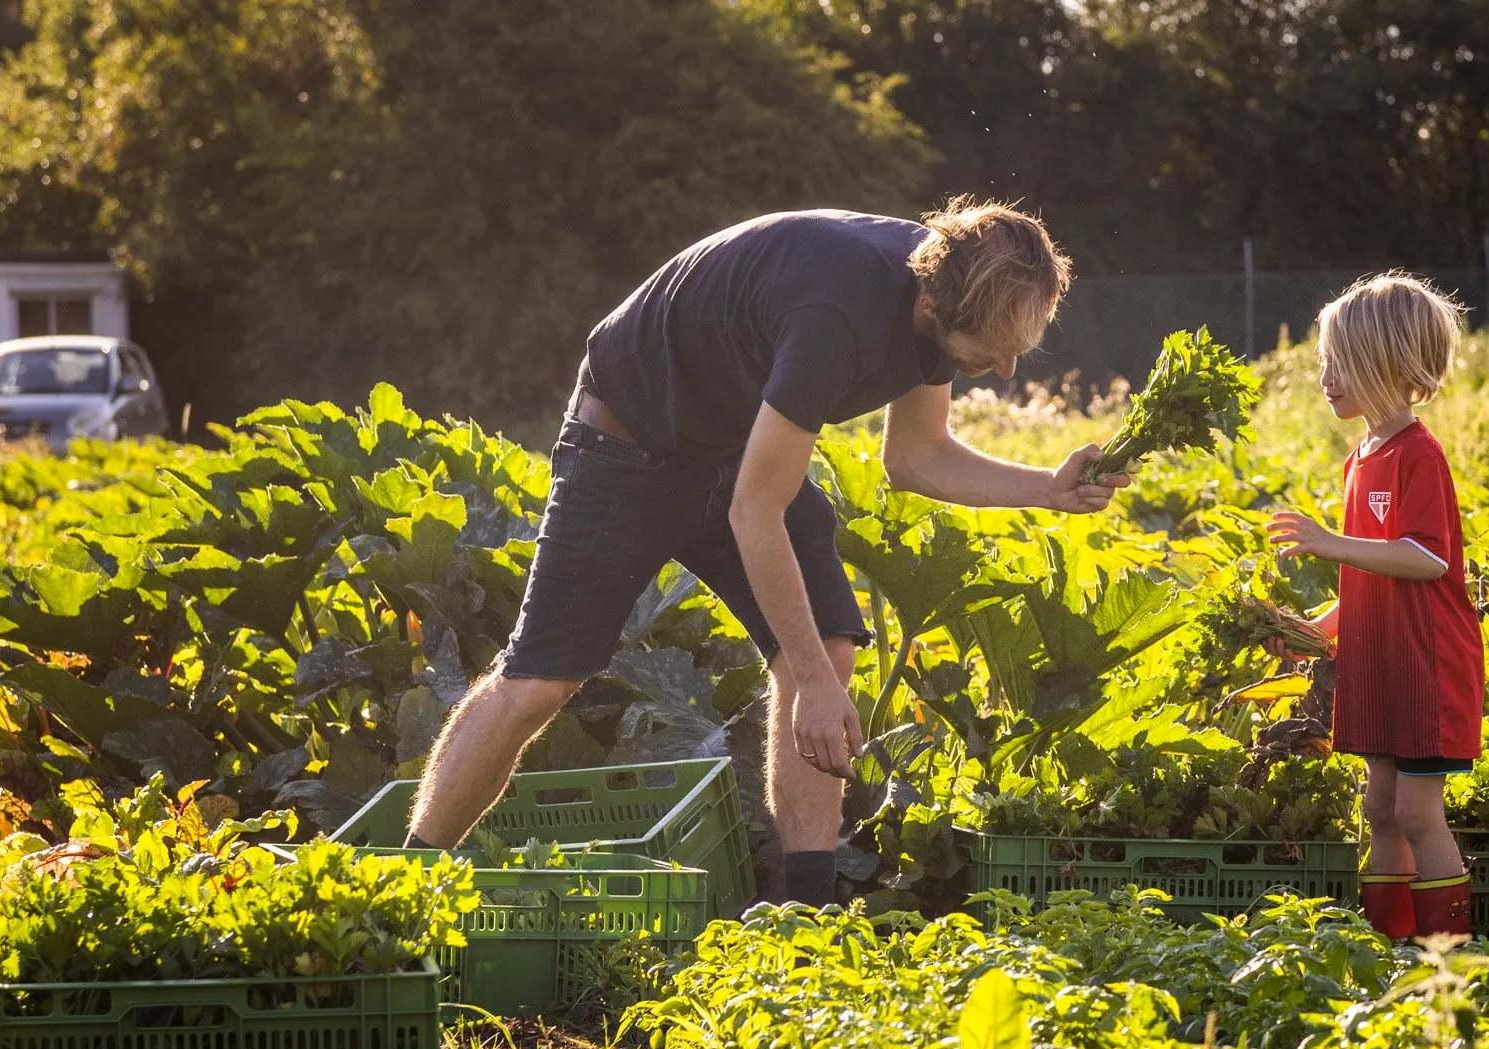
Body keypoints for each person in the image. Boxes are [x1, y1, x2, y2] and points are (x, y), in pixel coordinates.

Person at [405, 200, 1126, 906]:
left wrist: (1047, 487)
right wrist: (810, 682)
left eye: (1017, 351)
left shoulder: (952, 285)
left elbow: (916, 456)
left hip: (728, 450)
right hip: (625, 444)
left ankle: (804, 918)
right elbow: (757, 511)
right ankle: (404, 886)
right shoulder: (835, 317)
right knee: (538, 681)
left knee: (831, 643)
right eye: (993, 351)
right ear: (936, 309)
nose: (1003, 371)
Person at [1265, 273, 1483, 940]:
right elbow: (1371, 580)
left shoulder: (1420, 455)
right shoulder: (1361, 459)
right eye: (1326, 362)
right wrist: (1315, 630)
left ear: (1389, 366)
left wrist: (1331, 542)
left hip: (1427, 669)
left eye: (1342, 364)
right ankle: (1389, 947)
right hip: (1385, 667)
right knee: (1379, 810)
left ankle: (1450, 959)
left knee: (1419, 814)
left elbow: (1427, 558)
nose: (1327, 377)